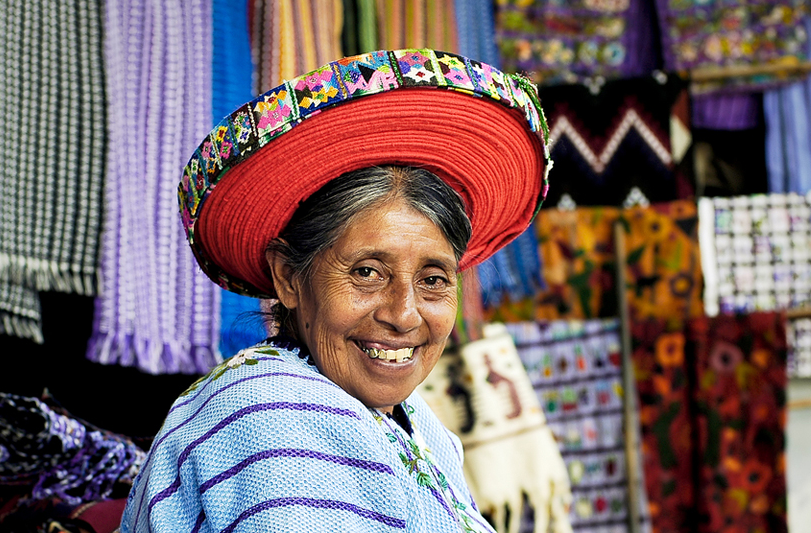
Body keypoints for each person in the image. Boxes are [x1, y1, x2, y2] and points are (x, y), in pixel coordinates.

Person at [119, 49, 550, 532]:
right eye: (367, 273)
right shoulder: (274, 417)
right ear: (287, 276)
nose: (404, 314)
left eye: (433, 280)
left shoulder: (413, 423)